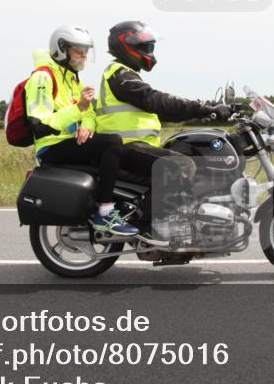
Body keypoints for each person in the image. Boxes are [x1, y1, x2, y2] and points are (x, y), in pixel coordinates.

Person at [94, 21, 231, 203]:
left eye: (150, 46)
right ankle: (156, 221)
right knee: (181, 165)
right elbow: (156, 100)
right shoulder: (119, 75)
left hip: (135, 145)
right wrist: (204, 108)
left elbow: (166, 111)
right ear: (126, 46)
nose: (148, 51)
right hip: (124, 146)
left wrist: (204, 114)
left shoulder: (128, 75)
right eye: (144, 46)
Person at [25, 24, 136, 236]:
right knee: (112, 142)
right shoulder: (43, 77)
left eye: (86, 49)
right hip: (51, 145)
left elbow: (89, 115)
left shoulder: (72, 77)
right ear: (61, 49)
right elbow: (39, 125)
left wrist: (86, 126)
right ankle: (105, 212)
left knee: (119, 151)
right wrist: (78, 109)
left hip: (70, 142)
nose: (84, 55)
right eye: (78, 49)